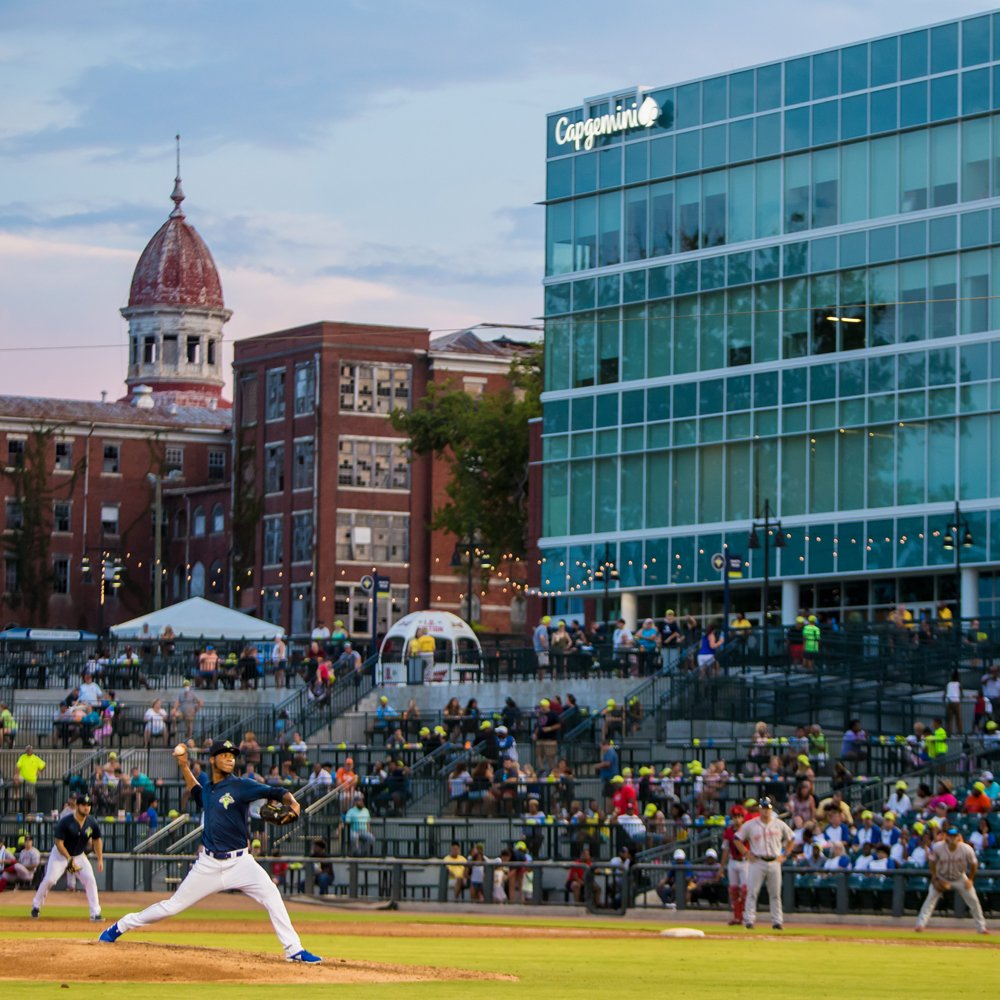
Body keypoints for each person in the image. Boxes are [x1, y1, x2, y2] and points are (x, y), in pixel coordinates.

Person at [98, 739, 321, 963]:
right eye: (224, 755)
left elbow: (275, 790)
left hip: (241, 862)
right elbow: (196, 791)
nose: (229, 758)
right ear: (212, 759)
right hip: (208, 864)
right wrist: (184, 766)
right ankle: (120, 926)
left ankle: (294, 949)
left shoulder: (241, 786)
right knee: (172, 906)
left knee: (272, 895)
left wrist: (293, 802)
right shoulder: (209, 790)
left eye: (232, 755)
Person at [31, 792, 104, 920]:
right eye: (83, 804)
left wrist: (100, 859)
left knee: (90, 880)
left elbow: (97, 840)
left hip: (79, 856)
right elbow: (59, 843)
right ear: (77, 806)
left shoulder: (91, 822)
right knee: (50, 879)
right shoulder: (66, 822)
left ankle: (95, 913)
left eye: (89, 805)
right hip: (60, 855)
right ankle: (36, 906)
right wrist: (69, 859)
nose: (86, 807)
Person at [914, 825, 988, 934]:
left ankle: (981, 928)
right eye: (950, 836)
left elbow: (974, 864)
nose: (952, 838)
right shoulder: (938, 847)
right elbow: (932, 862)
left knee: (974, 901)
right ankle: (920, 925)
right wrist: (935, 877)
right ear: (946, 836)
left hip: (960, 878)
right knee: (930, 900)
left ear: (959, 837)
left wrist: (971, 879)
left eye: (954, 836)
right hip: (942, 876)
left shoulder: (966, 848)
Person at [736, 796, 794, 930]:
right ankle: (749, 920)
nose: (765, 811)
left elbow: (791, 838)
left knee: (775, 894)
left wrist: (785, 855)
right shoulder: (751, 824)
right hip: (757, 861)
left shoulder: (778, 824)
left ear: (771, 809)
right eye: (763, 808)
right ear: (760, 809)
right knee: (752, 892)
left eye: (767, 808)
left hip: (774, 861)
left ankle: (777, 921)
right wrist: (746, 853)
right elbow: (737, 838)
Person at [14, 744, 45, 810]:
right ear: (26, 751)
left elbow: (44, 765)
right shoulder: (22, 757)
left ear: (32, 750)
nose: (29, 751)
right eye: (27, 749)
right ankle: (16, 794)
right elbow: (18, 766)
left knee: (29, 796)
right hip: (23, 778)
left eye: (30, 749)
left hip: (31, 780)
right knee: (15, 778)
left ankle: (28, 811)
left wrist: (39, 771)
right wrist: (16, 774)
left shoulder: (36, 758)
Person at [533, 615, 551, 680]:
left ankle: (539, 679)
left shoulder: (538, 628)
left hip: (537, 649)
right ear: (547, 622)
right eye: (549, 622)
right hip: (542, 650)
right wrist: (545, 646)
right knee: (543, 666)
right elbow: (542, 637)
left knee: (540, 666)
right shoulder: (543, 628)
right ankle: (541, 680)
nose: (550, 623)